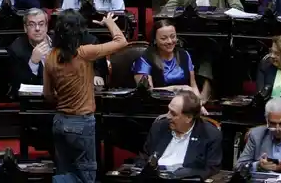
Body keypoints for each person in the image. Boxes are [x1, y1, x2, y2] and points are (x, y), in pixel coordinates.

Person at [43, 11, 127, 182]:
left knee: (63, 175)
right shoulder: (83, 52)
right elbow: (121, 41)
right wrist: (109, 22)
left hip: (59, 121)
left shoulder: (50, 57)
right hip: (81, 123)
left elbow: (48, 95)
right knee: (86, 177)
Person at [139, 91, 223, 175]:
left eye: (173, 114)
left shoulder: (210, 135)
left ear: (188, 118)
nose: (168, 116)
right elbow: (144, 158)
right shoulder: (159, 127)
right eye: (169, 110)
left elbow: (211, 170)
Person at [133, 19, 200, 96]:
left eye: (173, 36)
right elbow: (147, 92)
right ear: (155, 40)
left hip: (184, 104)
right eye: (163, 38)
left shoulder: (184, 55)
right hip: (157, 104)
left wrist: (199, 105)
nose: (170, 41)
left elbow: (193, 86)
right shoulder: (145, 59)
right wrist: (178, 89)